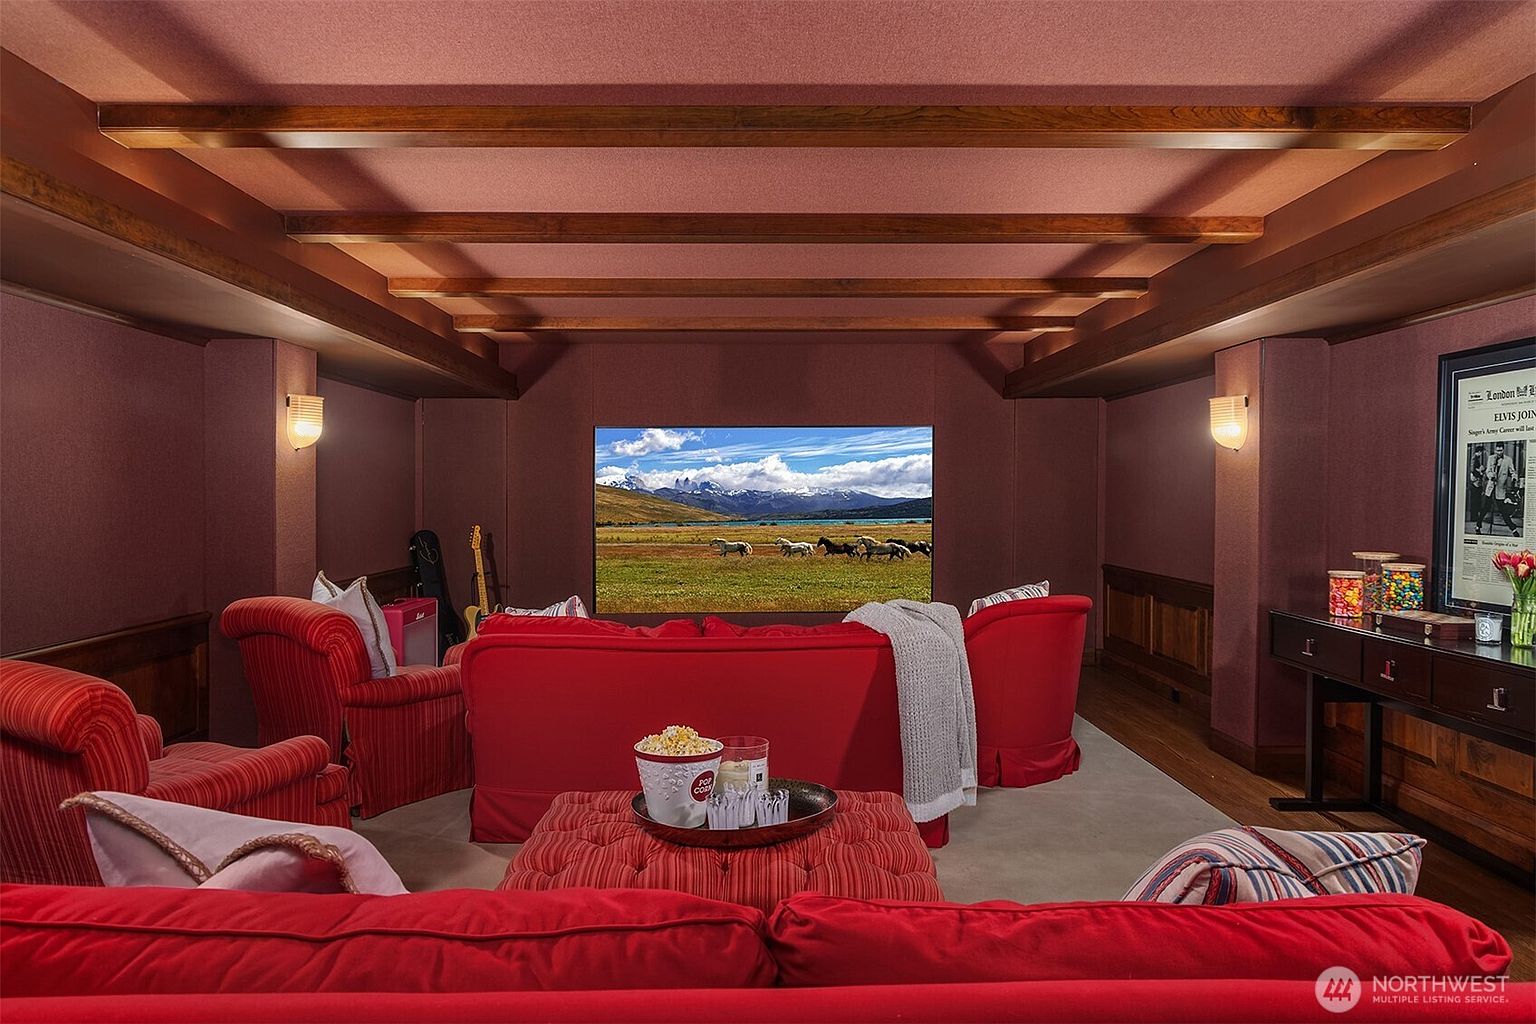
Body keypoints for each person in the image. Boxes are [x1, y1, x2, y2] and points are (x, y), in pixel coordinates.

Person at [1476, 443, 1521, 536]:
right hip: (1491, 487)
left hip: (1500, 489)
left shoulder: (1508, 460)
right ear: (1495, 450)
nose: (1498, 452)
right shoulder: (1491, 458)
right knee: (1485, 508)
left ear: (1503, 450)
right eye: (1497, 450)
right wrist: (1490, 475)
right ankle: (1478, 526)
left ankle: (1514, 529)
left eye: (1500, 450)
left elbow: (1512, 471)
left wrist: (1514, 477)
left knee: (1503, 511)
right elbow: (1488, 470)